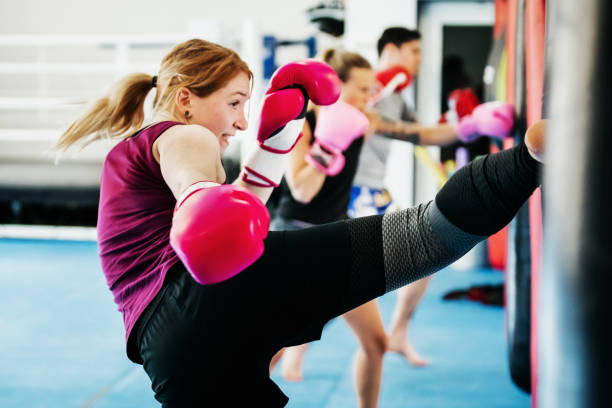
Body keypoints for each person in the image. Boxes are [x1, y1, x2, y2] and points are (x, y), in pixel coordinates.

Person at [55, 38, 543, 407]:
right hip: (199, 294)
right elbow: (196, 192)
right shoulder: (183, 136)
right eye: (234, 102)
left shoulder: (129, 153)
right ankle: (531, 156)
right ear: (186, 100)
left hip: (166, 350)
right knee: (424, 235)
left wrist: (270, 153)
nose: (242, 121)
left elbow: (228, 233)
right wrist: (203, 195)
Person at [349, 27, 496, 366]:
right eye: (413, 51)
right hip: (348, 194)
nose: (419, 61)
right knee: (334, 282)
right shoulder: (359, 86)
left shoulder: (398, 97)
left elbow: (423, 135)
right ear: (392, 49)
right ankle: (286, 354)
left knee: (424, 254)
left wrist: (469, 125)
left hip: (374, 192)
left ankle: (397, 332)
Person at [268, 48, 386, 407]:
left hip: (337, 235)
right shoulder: (304, 124)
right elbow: (302, 189)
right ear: (335, 88)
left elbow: (416, 133)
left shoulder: (363, 120)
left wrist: (465, 127)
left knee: (376, 342)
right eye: (361, 89)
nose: (368, 98)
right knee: (269, 350)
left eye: (371, 90)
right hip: (295, 236)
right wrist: (328, 145)